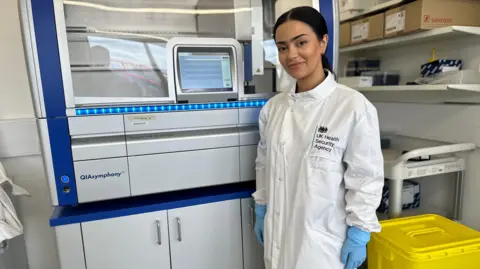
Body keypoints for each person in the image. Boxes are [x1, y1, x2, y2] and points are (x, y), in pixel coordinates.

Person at [252, 6, 384, 269]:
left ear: (323, 42)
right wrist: (262, 207)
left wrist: (359, 233)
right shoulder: (273, 108)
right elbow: (264, 165)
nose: (292, 55)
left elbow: (365, 179)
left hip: (324, 246)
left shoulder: (352, 107)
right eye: (282, 47)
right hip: (279, 236)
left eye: (301, 43)